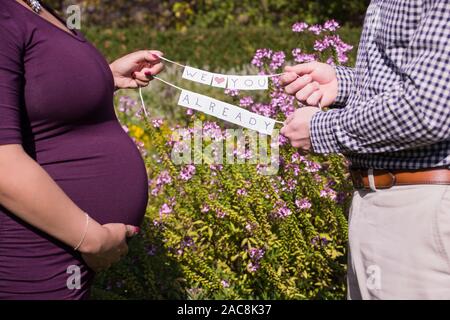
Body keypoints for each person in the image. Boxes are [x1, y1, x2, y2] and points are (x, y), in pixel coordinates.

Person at [281, 0, 450, 299]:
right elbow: (414, 78)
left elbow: (428, 108)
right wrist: (344, 84)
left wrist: (320, 129)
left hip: (418, 210)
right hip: (390, 205)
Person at [0, 0, 164, 299]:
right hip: (29, 264)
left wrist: (102, 78)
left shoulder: (36, 8)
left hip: (60, 260)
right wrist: (93, 240)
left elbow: (40, 94)